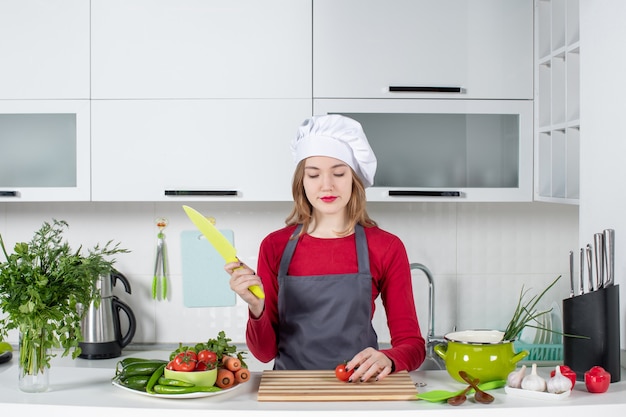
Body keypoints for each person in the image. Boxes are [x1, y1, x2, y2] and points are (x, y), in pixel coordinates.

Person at [226, 114, 425, 382]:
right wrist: (256, 308)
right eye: (314, 174)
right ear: (302, 182)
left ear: (354, 179)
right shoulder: (275, 246)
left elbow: (412, 345)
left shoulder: (386, 247)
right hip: (291, 393)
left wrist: (389, 358)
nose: (327, 185)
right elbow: (263, 354)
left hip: (359, 390)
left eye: (339, 173)